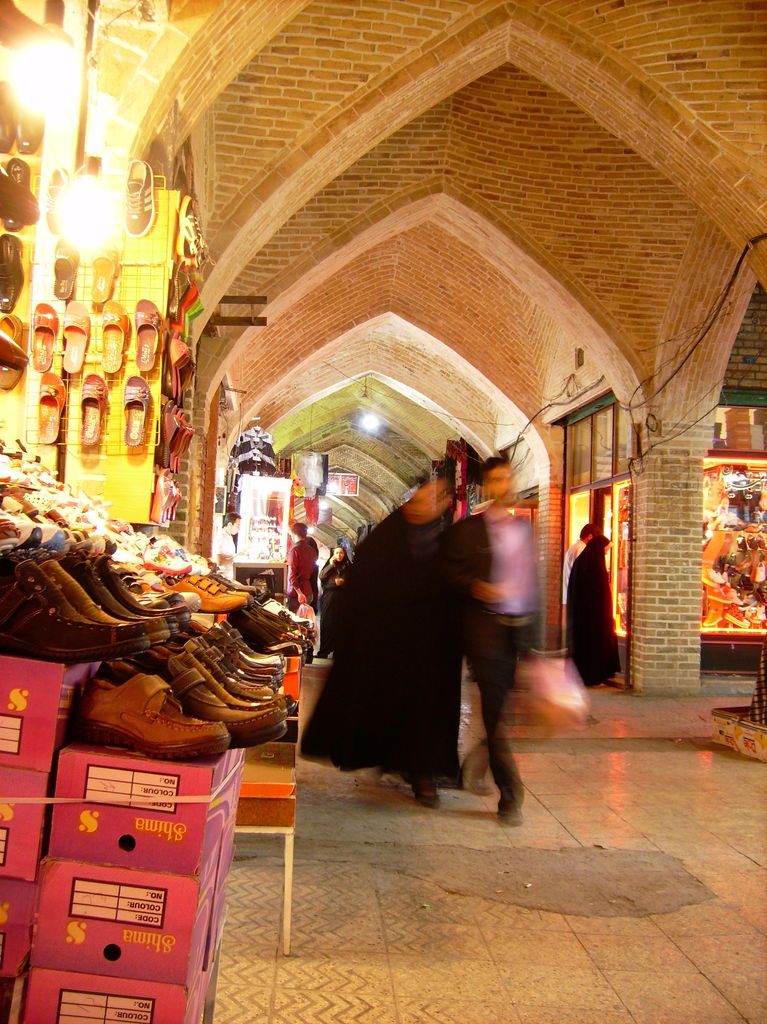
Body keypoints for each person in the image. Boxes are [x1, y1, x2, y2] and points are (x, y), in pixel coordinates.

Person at [301, 475, 463, 808]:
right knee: (394, 709)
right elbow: (364, 587)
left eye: (440, 499)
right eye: (428, 497)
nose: (433, 504)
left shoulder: (442, 541)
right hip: (389, 645)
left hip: (429, 649)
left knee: (425, 713)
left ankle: (423, 773)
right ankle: (405, 765)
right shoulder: (386, 539)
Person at [442, 456, 539, 826]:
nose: (504, 485)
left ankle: (473, 766)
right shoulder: (467, 532)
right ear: (485, 486)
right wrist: (476, 586)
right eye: (497, 479)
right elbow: (449, 574)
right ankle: (510, 795)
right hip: (485, 633)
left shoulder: (522, 531)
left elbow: (532, 583)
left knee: (504, 713)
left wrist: (538, 643)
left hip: (518, 630)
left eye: (507, 478)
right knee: (496, 712)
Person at [566, 533, 621, 686]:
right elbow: (598, 594)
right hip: (594, 617)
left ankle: (586, 674)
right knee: (593, 645)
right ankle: (593, 674)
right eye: (606, 550)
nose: (606, 553)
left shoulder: (583, 561)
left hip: (584, 617)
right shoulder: (594, 565)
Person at [316, 545, 350, 658]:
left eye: (341, 553)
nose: (339, 555)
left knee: (340, 624)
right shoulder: (329, 565)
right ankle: (324, 651)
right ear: (333, 555)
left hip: (342, 598)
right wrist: (331, 565)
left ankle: (338, 652)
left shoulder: (348, 567)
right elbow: (322, 577)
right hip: (329, 598)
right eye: (337, 553)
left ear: (345, 554)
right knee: (327, 623)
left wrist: (344, 582)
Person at [562, 522, 600, 604]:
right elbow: (582, 574)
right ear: (590, 537)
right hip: (576, 596)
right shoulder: (580, 550)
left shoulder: (576, 548)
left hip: (573, 595)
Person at [286, 521, 315, 612]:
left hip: (297, 594)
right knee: (304, 618)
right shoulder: (311, 550)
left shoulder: (295, 550)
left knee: (295, 619)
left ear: (293, 534)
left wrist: (299, 592)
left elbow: (292, 575)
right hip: (308, 590)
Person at [211, 513, 240, 579]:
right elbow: (220, 561)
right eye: (237, 525)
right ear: (230, 525)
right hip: (223, 576)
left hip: (229, 575)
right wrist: (237, 556)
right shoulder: (221, 537)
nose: (239, 528)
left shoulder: (229, 536)